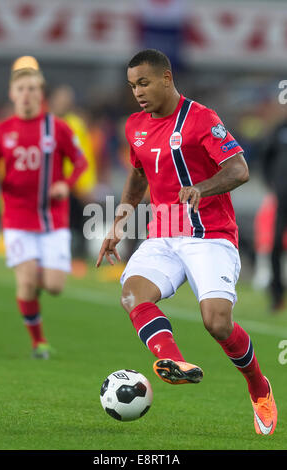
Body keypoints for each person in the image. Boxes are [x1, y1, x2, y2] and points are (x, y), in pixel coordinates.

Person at [96, 49, 277, 435]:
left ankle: (259, 386)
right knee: (132, 294)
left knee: (218, 323)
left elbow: (239, 169)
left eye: (143, 83)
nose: (138, 92)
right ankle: (173, 363)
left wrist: (201, 188)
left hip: (210, 236)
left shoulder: (201, 119)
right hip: (164, 234)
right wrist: (119, 222)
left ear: (166, 77)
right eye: (132, 86)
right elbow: (138, 174)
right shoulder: (134, 126)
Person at [0, 57, 88, 358]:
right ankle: (38, 342)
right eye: (22, 88)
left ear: (40, 92)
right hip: (17, 217)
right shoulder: (0, 131)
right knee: (27, 279)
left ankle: (37, 275)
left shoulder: (56, 128)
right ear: (13, 92)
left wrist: (65, 184)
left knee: (55, 286)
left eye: (33, 88)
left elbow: (80, 161)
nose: (27, 93)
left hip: (53, 219)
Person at [49, 84, 97, 277]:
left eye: (68, 98)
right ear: (53, 99)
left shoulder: (75, 124)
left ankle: (77, 261)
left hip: (71, 186)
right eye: (62, 98)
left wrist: (86, 185)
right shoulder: (44, 122)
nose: (65, 102)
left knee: (75, 224)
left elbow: (85, 156)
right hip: (46, 185)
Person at [261, 118, 287, 312]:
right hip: (283, 202)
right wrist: (272, 184)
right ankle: (276, 295)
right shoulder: (280, 129)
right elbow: (266, 157)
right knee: (275, 246)